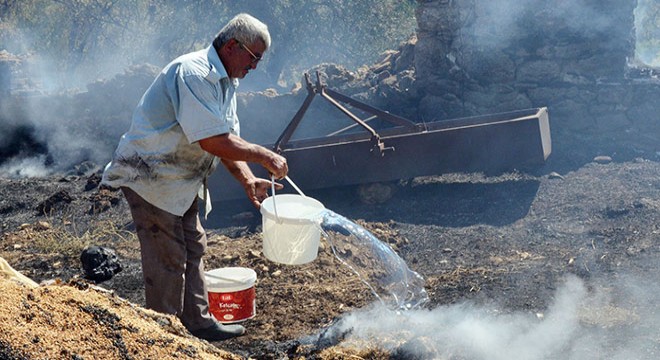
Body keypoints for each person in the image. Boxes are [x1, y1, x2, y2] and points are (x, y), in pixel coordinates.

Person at [101, 13, 288, 341]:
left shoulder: (227, 82)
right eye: (254, 56)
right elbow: (212, 140)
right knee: (168, 256)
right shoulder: (194, 73)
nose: (256, 65)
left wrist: (247, 181)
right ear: (232, 46)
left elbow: (225, 139)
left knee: (194, 246)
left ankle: (198, 323)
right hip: (152, 177)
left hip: (180, 180)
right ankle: (163, 337)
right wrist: (265, 155)